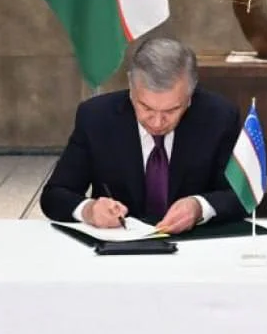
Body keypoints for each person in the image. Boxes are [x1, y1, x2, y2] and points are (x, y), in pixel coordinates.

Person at [41, 37, 244, 232]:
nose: (157, 122)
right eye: (146, 107)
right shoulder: (96, 117)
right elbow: (55, 195)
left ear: (190, 95)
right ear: (131, 87)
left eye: (172, 110)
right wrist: (89, 210)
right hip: (118, 244)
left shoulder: (220, 118)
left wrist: (200, 207)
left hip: (193, 244)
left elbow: (244, 195)